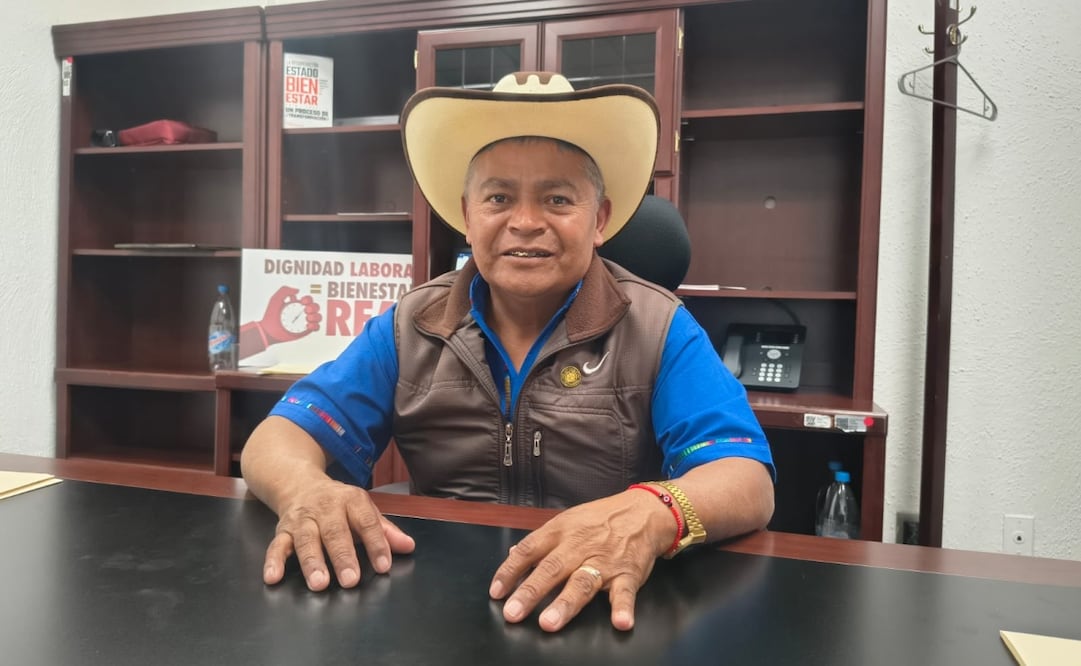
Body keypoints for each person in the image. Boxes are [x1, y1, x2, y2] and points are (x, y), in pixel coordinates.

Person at [241, 71, 775, 633]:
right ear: (467, 217)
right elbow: (278, 437)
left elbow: (745, 478)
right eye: (499, 198)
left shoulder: (660, 326)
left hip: (601, 603)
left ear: (599, 220)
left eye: (557, 199)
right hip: (441, 607)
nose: (525, 222)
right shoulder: (410, 325)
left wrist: (650, 512)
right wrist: (306, 489)